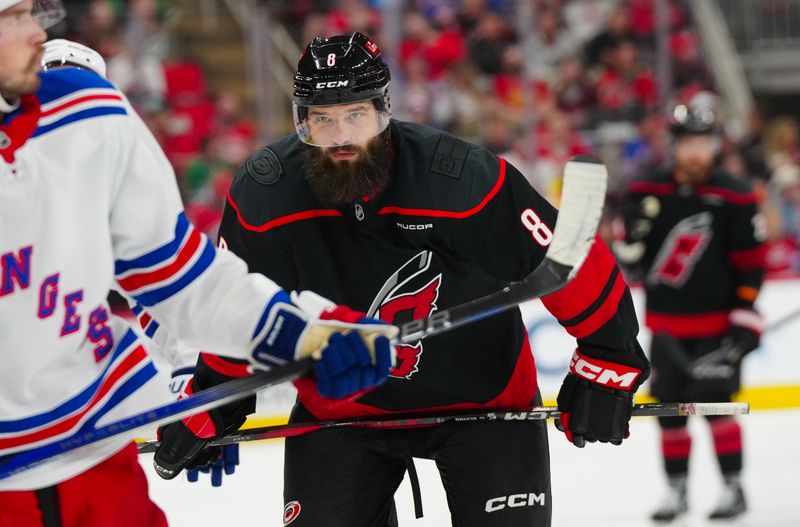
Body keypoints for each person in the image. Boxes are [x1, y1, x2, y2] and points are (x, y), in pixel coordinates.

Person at [155, 32, 650, 527]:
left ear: (383, 111)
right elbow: (244, 306)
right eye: (322, 119)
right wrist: (215, 399)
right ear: (301, 120)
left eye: (355, 115)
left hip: (485, 401)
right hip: (341, 410)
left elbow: (569, 258)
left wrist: (608, 359)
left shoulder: (458, 179)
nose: (341, 135)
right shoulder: (265, 195)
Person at [0, 4, 395, 526]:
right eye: (13, 17)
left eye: (34, 12)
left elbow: (179, 281)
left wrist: (306, 336)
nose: (37, 32)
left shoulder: (90, 115)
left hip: (94, 461)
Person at [615, 92, 765, 522]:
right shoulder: (646, 189)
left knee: (716, 409)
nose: (696, 152)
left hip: (717, 328)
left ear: (715, 144)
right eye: (688, 143)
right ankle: (677, 492)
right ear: (675, 144)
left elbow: (751, 265)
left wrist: (745, 317)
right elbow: (630, 263)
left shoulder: (735, 194)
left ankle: (734, 489)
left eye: (704, 143)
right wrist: (630, 240)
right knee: (670, 412)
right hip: (666, 327)